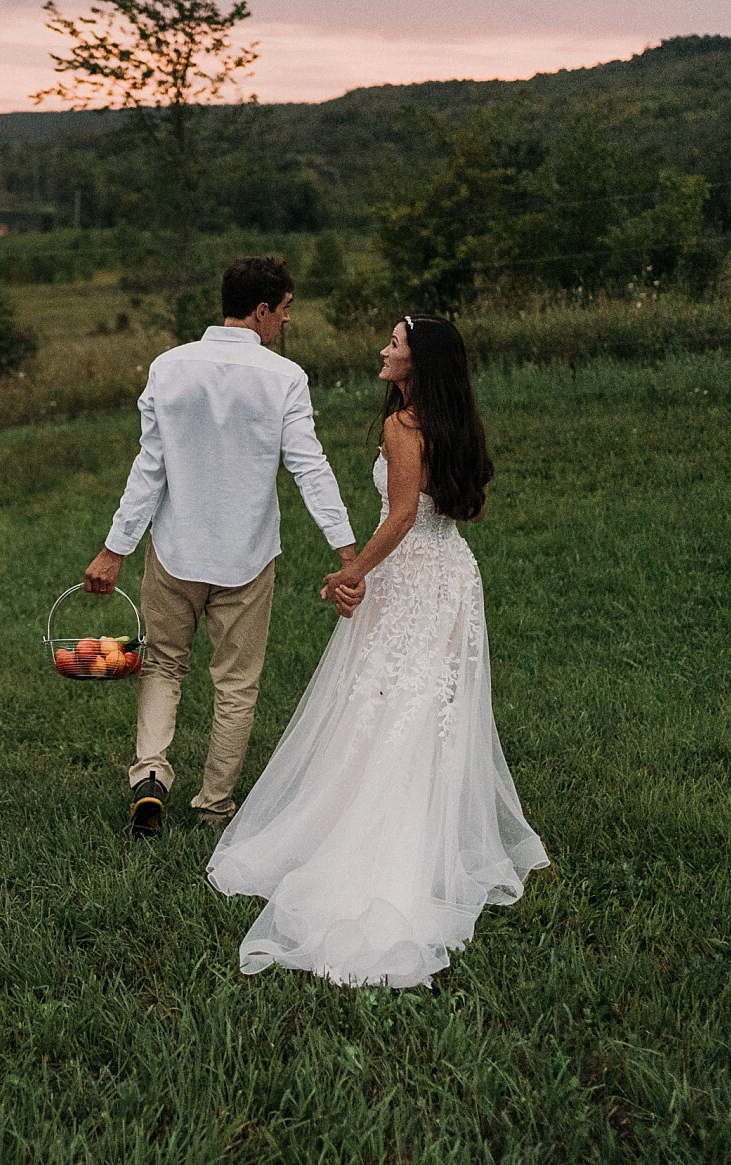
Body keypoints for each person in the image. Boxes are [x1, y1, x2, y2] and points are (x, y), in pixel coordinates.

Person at [206, 315, 548, 988]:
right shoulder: (456, 422)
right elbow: (468, 510)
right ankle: (424, 834)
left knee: (381, 702)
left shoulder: (402, 426)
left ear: (417, 361)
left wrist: (352, 571)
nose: (385, 350)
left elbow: (397, 517)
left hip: (409, 578)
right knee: (425, 709)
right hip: (452, 578)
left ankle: (372, 842)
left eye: (395, 343)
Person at [83, 256, 363, 835]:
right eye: (284, 310)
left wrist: (115, 550)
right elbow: (309, 468)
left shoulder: (168, 367)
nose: (286, 323)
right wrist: (345, 549)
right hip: (247, 558)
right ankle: (213, 806)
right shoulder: (284, 377)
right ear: (262, 310)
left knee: (162, 665)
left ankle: (151, 776)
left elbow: (149, 467)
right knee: (235, 684)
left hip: (175, 552)